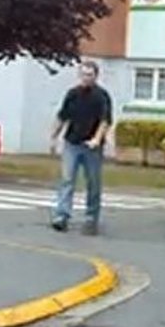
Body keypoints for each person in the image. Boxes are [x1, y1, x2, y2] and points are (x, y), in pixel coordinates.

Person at [49, 60, 113, 236]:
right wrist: (53, 137)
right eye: (84, 74)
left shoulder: (101, 96)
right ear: (79, 75)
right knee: (67, 179)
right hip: (72, 142)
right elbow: (62, 116)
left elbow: (105, 121)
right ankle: (62, 215)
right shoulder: (72, 94)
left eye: (90, 75)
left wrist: (96, 139)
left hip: (91, 146)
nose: (86, 78)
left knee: (93, 182)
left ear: (96, 76)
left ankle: (91, 216)